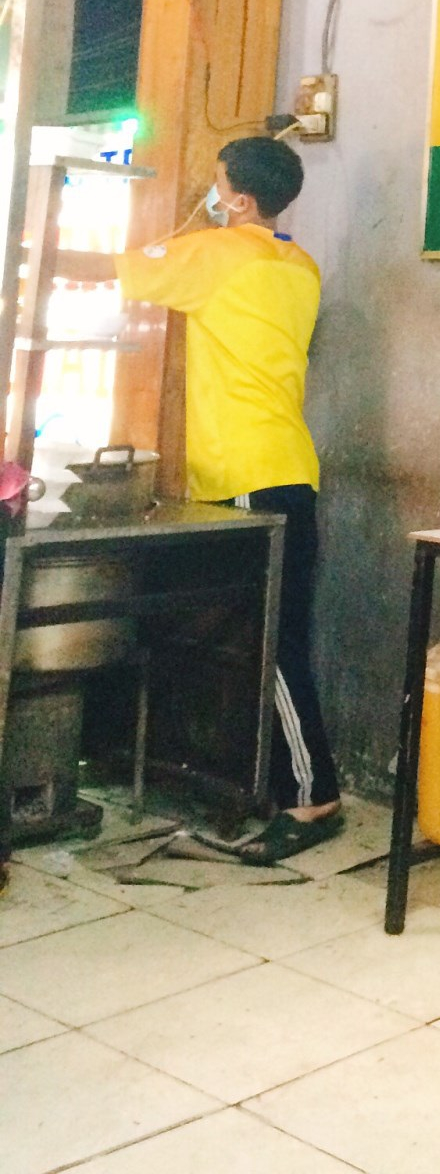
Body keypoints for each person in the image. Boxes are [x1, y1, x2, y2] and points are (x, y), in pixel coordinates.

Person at [79, 136, 342, 863]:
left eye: (219, 183)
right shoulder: (298, 263)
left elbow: (115, 270)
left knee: (276, 642)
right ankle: (272, 783)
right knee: (265, 635)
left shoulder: (219, 254)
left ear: (241, 199)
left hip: (247, 472)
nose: (212, 192)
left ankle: (313, 795)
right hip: (285, 464)